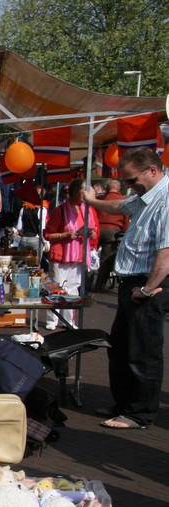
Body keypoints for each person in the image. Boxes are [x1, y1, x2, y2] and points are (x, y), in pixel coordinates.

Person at [82, 147, 169, 430]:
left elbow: (166, 253)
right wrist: (93, 200)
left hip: (147, 285)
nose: (130, 186)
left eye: (132, 180)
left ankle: (140, 412)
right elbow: (119, 206)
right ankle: (124, 404)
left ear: (152, 170)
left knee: (143, 351)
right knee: (120, 348)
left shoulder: (165, 200)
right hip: (133, 283)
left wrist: (148, 289)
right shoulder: (144, 197)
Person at [42, 178, 99, 330]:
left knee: (73, 288)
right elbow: (48, 234)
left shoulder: (88, 210)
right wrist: (66, 235)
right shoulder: (59, 211)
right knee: (56, 287)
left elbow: (94, 231)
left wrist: (91, 234)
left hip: (78, 255)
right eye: (83, 191)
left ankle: (68, 320)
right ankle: (52, 320)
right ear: (75, 192)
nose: (86, 194)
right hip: (61, 255)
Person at [93, 178, 130, 292]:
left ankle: (86, 284)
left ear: (107, 188)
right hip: (113, 231)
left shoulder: (100, 199)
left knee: (91, 256)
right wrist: (124, 232)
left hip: (97, 229)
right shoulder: (123, 200)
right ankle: (99, 286)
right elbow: (126, 219)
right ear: (119, 188)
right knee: (106, 260)